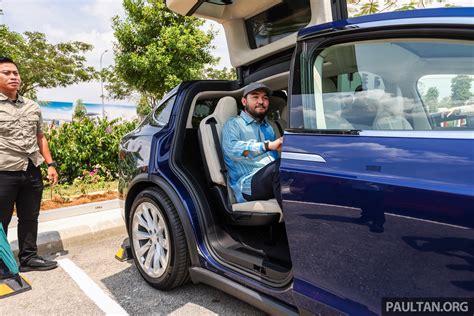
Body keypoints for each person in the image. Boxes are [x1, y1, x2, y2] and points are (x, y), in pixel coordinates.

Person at [0, 57, 59, 272]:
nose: (13, 76)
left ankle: (29, 257)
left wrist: (50, 164)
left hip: (31, 170)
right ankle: (2, 263)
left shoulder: (32, 106)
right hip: (4, 172)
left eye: (15, 73)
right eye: (6, 73)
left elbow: (40, 137)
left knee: (29, 216)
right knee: (1, 221)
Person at [222, 82, 283, 207]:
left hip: (269, 178)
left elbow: (273, 158)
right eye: (255, 97)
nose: (261, 101)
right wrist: (267, 146)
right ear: (244, 102)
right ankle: (298, 225)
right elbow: (233, 150)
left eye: (265, 98)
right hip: (247, 185)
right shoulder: (233, 124)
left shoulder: (268, 128)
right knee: (280, 167)